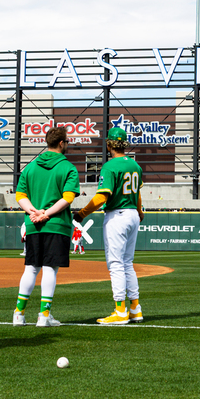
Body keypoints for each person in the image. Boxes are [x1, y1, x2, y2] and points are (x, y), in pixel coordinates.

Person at [75, 127, 145, 325]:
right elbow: (138, 194)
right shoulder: (134, 165)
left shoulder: (109, 166)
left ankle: (120, 311)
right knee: (127, 263)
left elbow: (101, 197)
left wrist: (82, 214)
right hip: (132, 213)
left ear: (109, 144)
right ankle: (135, 309)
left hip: (118, 215)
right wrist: (139, 212)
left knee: (115, 264)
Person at [12, 126, 81, 327]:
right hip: (56, 225)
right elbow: (67, 198)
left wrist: (34, 212)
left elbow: (20, 196)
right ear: (61, 143)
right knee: (50, 269)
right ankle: (44, 316)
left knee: (31, 268)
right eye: (66, 141)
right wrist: (46, 214)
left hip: (33, 225)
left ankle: (19, 313)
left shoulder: (31, 167)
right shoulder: (68, 167)